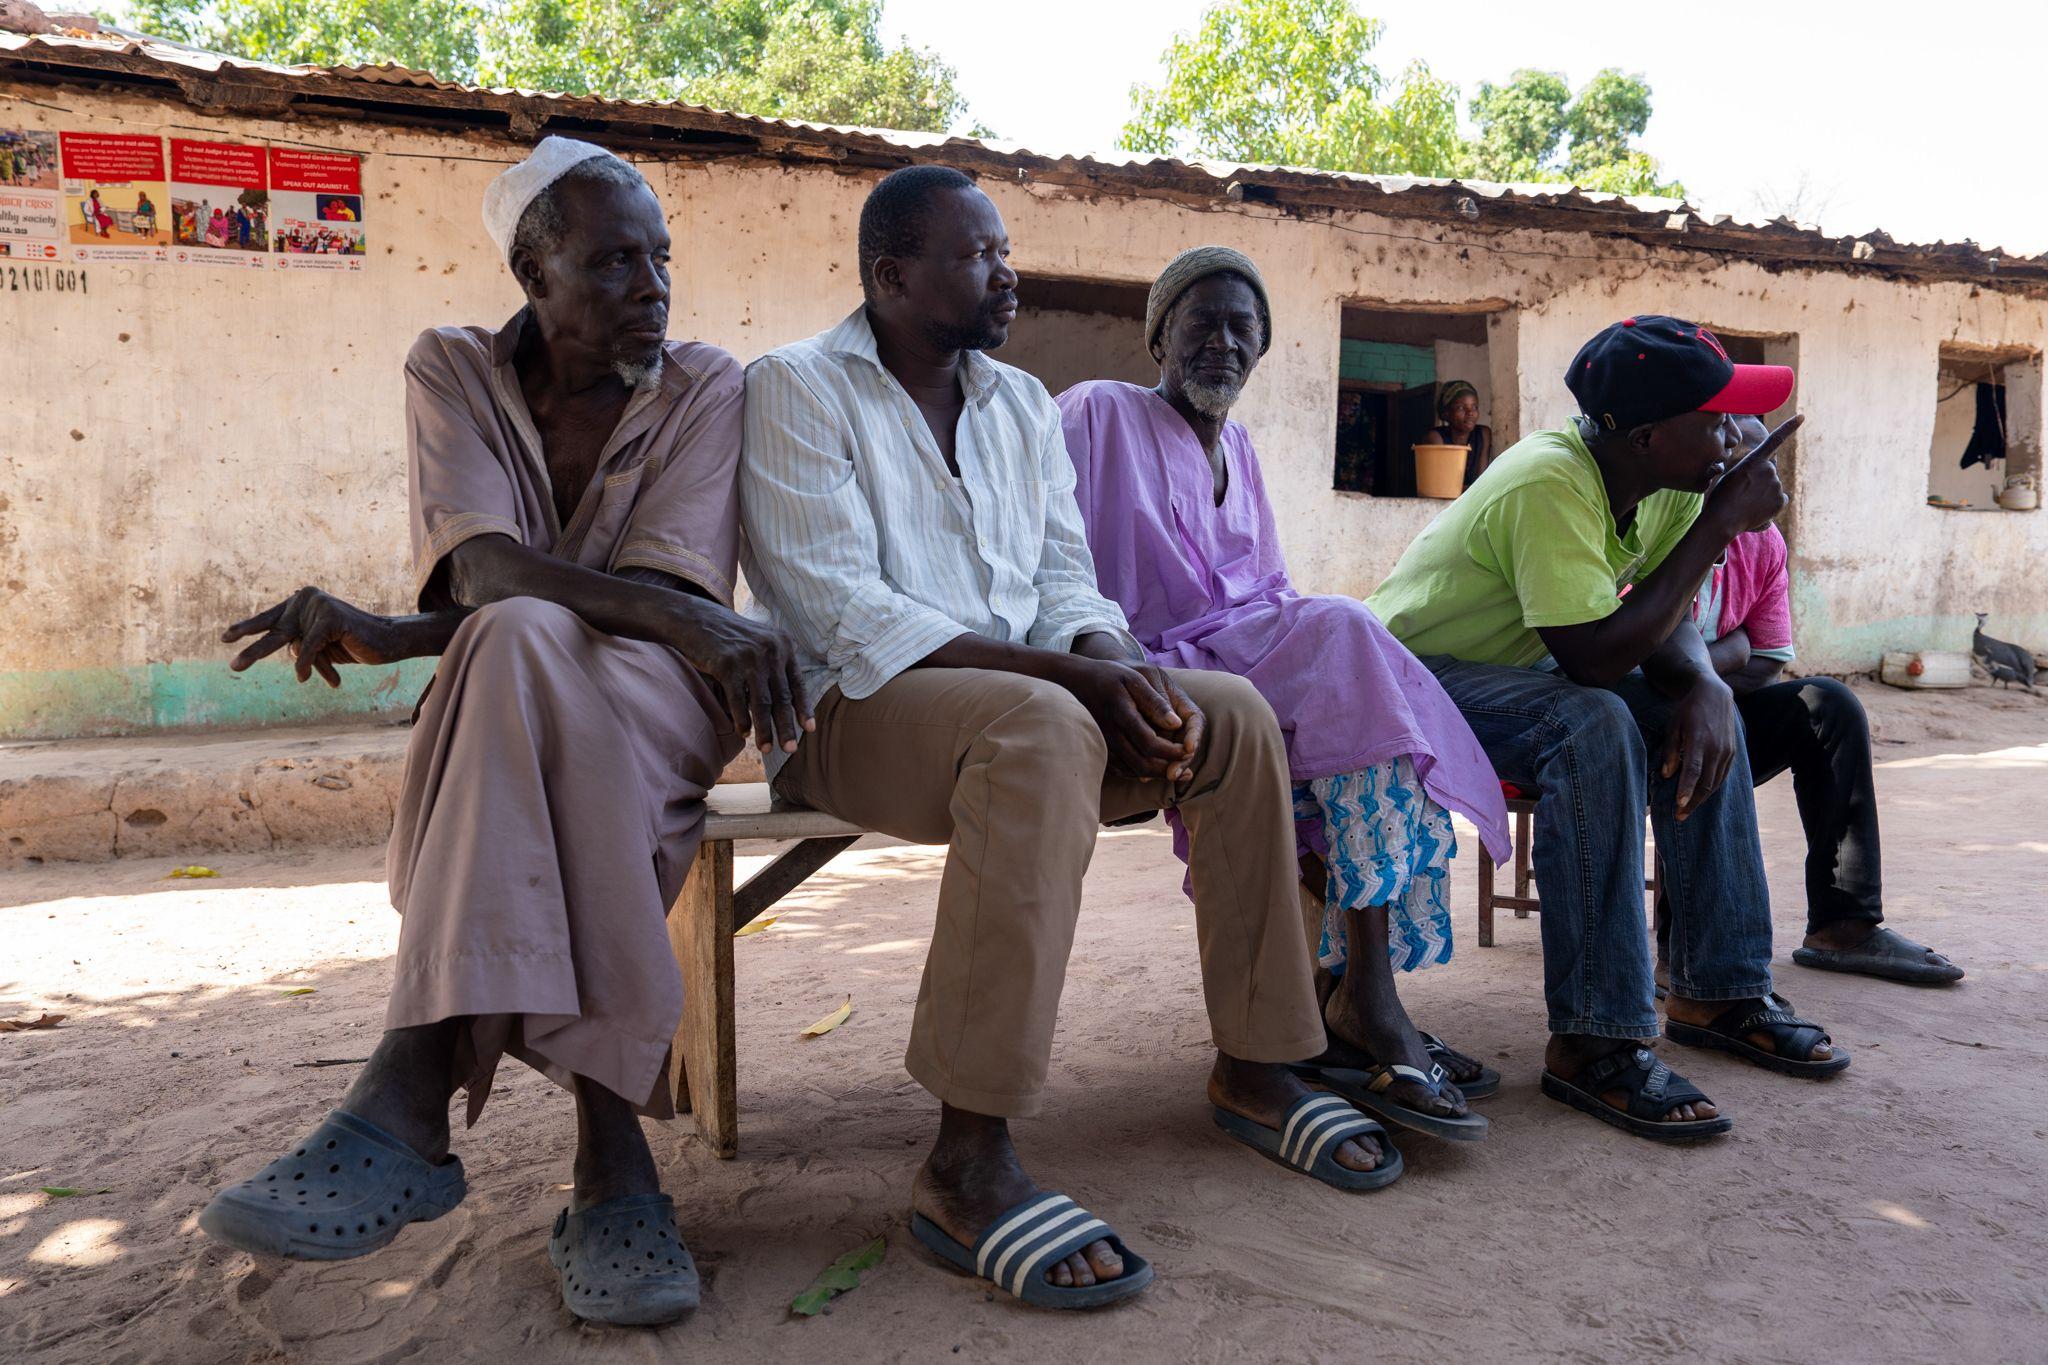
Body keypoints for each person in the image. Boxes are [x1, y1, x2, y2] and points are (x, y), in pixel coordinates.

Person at [742, 166, 1395, 1310]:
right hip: (848, 716)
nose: (1009, 273)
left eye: (1006, 250)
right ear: (892, 277)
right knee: (1044, 724)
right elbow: (844, 614)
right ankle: (966, 1157)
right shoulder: (796, 388)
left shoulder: (1014, 404)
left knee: (1225, 714)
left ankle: (1258, 1061)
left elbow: (1060, 581)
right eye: (979, 255)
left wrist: (1113, 666)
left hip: (1013, 706)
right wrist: (1068, 679)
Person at [196, 138, 806, 1328]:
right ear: (534, 269)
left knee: (514, 649)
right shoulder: (453, 371)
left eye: (661, 260)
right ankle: (609, 1158)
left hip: (664, 690)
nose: (653, 286)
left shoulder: (704, 383)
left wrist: (399, 627)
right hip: (531, 684)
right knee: (515, 647)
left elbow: (644, 606)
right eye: (616, 261)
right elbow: (481, 571)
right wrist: (413, 622)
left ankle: (412, 1083)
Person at [1056, 246, 1513, 1144]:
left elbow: (1266, 587)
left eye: (1243, 327)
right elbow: (1051, 553)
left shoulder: (1246, 449)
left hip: (1241, 655)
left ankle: (1342, 996)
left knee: (1350, 709)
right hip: (1139, 658)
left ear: (1262, 348)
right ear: (1159, 334)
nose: (1224, 341)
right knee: (1348, 638)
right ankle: (1371, 1004)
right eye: (1203, 321)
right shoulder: (1100, 412)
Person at [1369, 315, 1851, 1143]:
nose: (1739, 435)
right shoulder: (1549, 483)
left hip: (1514, 675)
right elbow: (1592, 661)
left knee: (1695, 707)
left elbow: (1664, 612)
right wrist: (1721, 526)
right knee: (1590, 722)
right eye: (1721, 418)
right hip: (1411, 681)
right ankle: (1595, 1038)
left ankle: (1720, 986)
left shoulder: (1663, 481)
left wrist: (1702, 683)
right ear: (1649, 434)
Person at [1664, 413, 1963, 985]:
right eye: (1745, 462)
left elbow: (1769, 658)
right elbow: (1639, 648)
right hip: (1636, 712)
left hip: (1715, 704)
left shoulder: (1765, 542)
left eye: (1769, 461)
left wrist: (1714, 666)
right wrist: (1731, 649)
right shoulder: (1661, 527)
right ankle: (1683, 949)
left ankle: (1844, 925)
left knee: (1828, 707)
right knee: (1700, 726)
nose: (1766, 478)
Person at [1421, 378, 1492, 489]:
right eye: (1461, 408)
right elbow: (1443, 486)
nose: (1470, 413)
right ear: (1446, 413)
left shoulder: (1483, 434)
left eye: (1474, 407)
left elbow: (1481, 482)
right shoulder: (1436, 438)